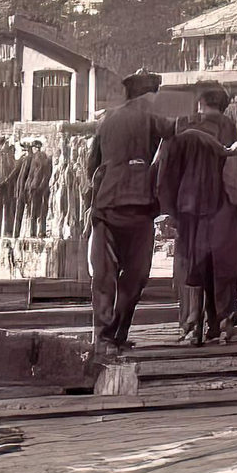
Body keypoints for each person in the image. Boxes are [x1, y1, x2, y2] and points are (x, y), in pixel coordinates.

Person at [87, 72, 173, 352]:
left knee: (104, 274)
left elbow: (92, 166)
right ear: (151, 93)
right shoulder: (150, 115)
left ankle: (102, 335)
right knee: (135, 275)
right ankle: (118, 332)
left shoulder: (107, 119)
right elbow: (174, 131)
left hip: (106, 205)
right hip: (138, 205)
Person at [157, 83, 237, 346]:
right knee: (224, 264)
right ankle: (225, 323)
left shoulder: (184, 126)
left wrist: (169, 207)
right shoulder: (229, 127)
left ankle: (191, 323)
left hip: (189, 206)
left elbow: (167, 168)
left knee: (192, 264)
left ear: (201, 103)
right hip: (223, 203)